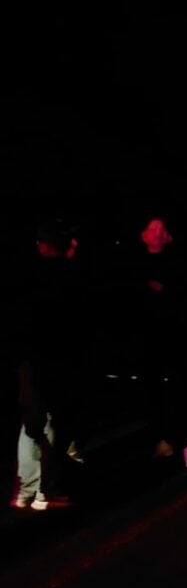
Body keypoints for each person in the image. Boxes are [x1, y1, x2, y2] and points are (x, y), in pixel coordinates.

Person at [11, 218, 94, 510]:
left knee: (31, 426)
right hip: (60, 358)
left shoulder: (26, 275)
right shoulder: (69, 277)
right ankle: (47, 490)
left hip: (30, 359)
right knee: (55, 423)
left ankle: (25, 490)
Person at [131, 216, 187, 468]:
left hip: (175, 336)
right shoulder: (137, 265)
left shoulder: (176, 262)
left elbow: (185, 294)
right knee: (154, 392)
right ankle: (162, 440)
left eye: (160, 228)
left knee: (181, 390)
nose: (156, 231)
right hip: (149, 338)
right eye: (151, 227)